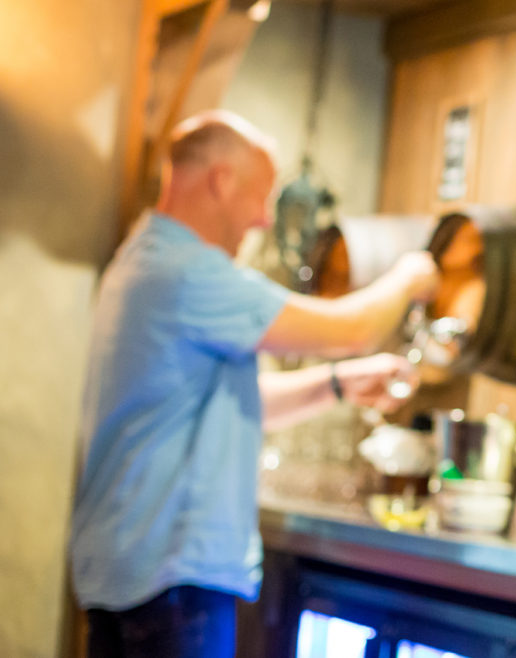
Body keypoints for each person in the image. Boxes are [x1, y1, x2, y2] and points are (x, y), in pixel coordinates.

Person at [69, 109, 438, 657]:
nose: (264, 219)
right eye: (260, 197)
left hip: (135, 572)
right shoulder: (186, 271)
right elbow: (351, 328)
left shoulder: (141, 259)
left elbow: (236, 405)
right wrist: (409, 276)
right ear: (220, 180)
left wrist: (337, 384)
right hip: (172, 580)